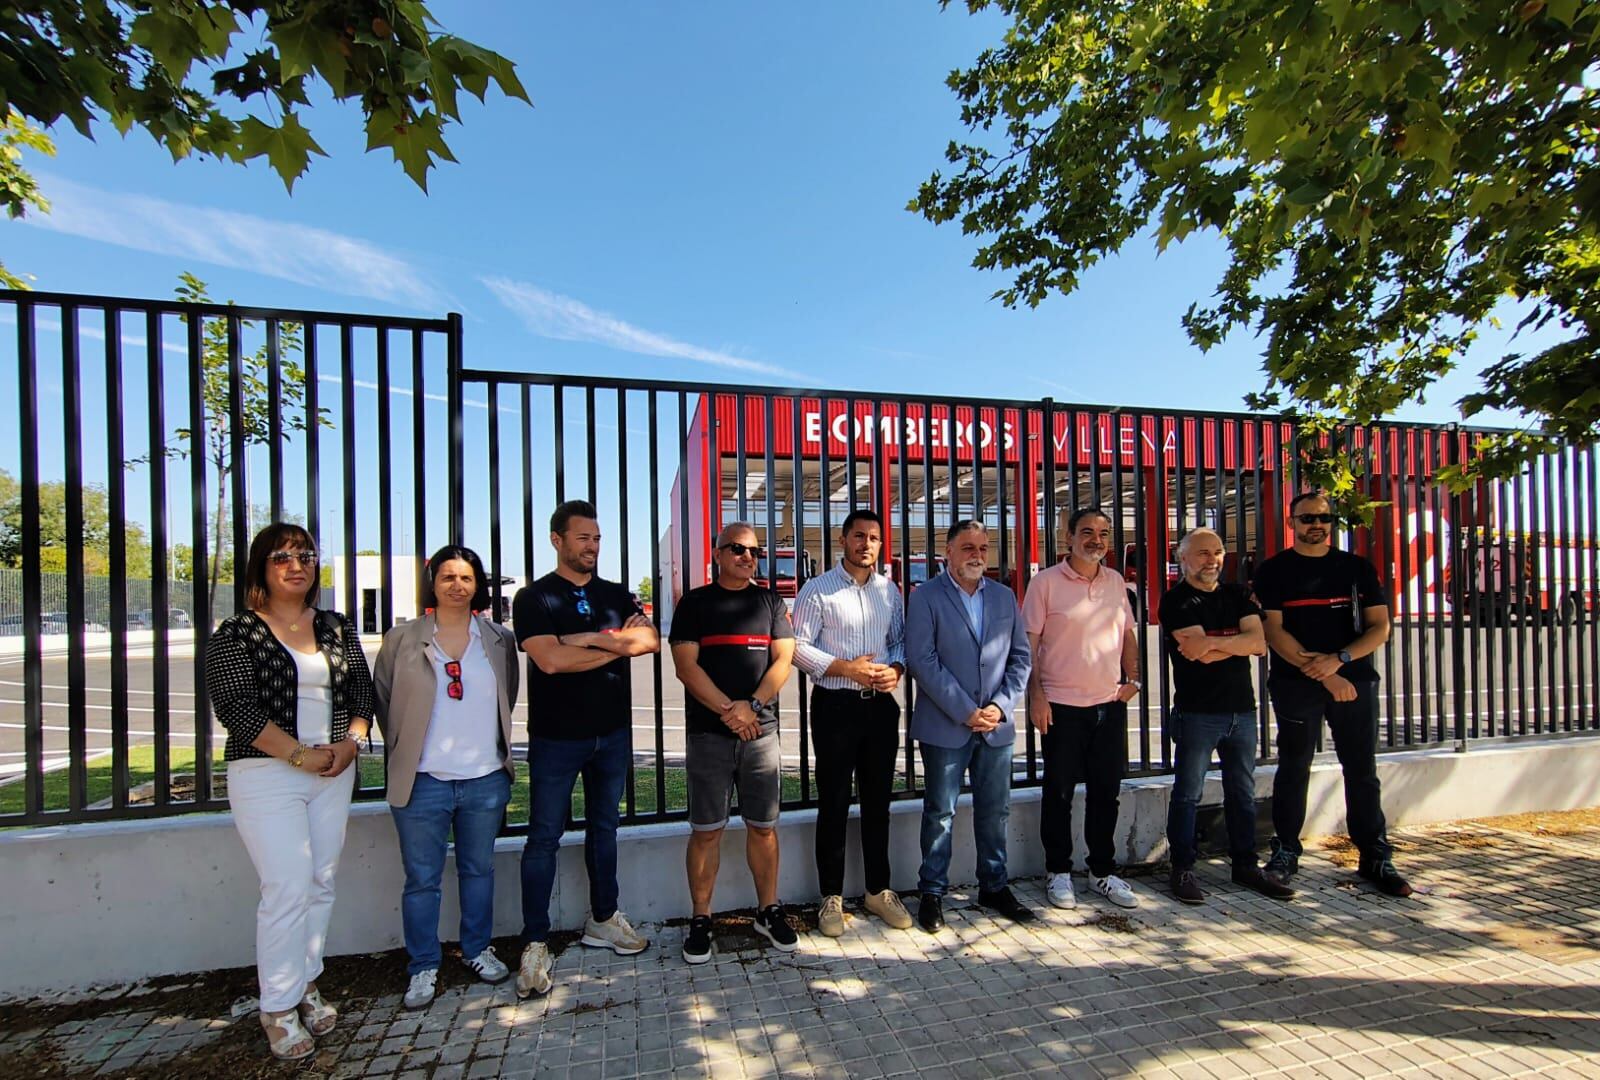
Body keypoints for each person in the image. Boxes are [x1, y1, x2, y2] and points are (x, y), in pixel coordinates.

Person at [203, 524, 374, 1061]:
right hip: (268, 772)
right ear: (261, 566)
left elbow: (362, 692)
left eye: (305, 555)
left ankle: (305, 983)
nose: (296, 564)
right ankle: (276, 1006)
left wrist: (351, 743)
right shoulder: (237, 632)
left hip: (333, 769)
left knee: (321, 881)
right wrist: (300, 754)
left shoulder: (335, 626)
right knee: (287, 885)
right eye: (282, 556)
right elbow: (236, 708)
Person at [513, 500, 659, 999]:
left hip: (611, 735)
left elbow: (650, 641)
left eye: (597, 538)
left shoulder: (616, 594)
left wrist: (592, 638)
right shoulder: (533, 598)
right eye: (583, 538)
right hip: (556, 737)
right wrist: (614, 646)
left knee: (605, 828)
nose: (592, 546)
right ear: (557, 540)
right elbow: (550, 661)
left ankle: (603, 918)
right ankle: (534, 941)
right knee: (543, 838)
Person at [372, 546, 520, 1010]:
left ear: (479, 586)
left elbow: (507, 695)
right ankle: (423, 966)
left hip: (483, 778)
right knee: (422, 879)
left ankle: (477, 950)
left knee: (479, 871)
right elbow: (383, 700)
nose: (457, 585)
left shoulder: (498, 639)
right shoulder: (402, 639)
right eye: (447, 576)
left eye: (467, 577)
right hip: (422, 782)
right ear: (432, 582)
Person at [1253, 492, 1412, 897]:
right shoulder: (1274, 571)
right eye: (1307, 518)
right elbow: (1274, 631)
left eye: (1324, 517)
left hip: (1353, 681)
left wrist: (1339, 661)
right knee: (1293, 769)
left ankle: (1374, 854)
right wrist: (1325, 674)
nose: (1316, 524)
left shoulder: (1356, 568)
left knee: (1361, 770)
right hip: (1296, 685)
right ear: (1292, 523)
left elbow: (1380, 628)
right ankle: (1286, 850)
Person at [670, 521, 798, 962]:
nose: (748, 557)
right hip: (709, 735)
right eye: (738, 549)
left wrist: (753, 707)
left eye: (755, 551)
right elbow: (686, 667)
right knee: (707, 831)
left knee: (763, 827)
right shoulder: (695, 603)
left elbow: (784, 659)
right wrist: (731, 710)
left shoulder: (770, 602)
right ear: (718, 553)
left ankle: (768, 909)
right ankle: (702, 917)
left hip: (760, 732)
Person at [906, 520, 1035, 933]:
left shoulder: (1003, 597)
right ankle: (932, 892)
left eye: (983, 547)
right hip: (947, 726)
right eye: (967, 547)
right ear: (948, 551)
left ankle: (994, 886)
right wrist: (965, 710)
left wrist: (999, 706)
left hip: (995, 727)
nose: (977, 555)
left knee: (995, 811)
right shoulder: (925, 596)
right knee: (940, 812)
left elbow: (1020, 659)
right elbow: (921, 661)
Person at [791, 509, 912, 937]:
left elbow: (899, 639)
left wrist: (895, 668)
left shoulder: (888, 591)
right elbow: (797, 648)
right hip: (835, 708)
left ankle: (879, 891)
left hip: (880, 706)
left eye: (875, 538)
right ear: (843, 540)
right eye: (859, 536)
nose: (867, 544)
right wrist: (845, 668)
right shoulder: (817, 590)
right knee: (835, 801)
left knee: (879, 801)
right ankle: (831, 897)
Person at [1159, 528, 1293, 904]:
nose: (1211, 560)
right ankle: (1182, 867)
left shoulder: (1237, 595)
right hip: (1197, 713)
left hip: (1242, 712)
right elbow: (1196, 653)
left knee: (1242, 794)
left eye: (1217, 552)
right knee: (1188, 794)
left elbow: (1258, 642)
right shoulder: (1176, 601)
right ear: (1182, 557)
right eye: (1202, 553)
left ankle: (1245, 865)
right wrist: (1233, 644)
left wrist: (1214, 642)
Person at [1022, 507, 1142, 911]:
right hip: (1060, 706)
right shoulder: (1045, 584)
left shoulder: (1116, 582)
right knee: (1058, 793)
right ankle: (1058, 872)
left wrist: (1135, 680)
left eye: (1104, 533)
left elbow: (1127, 634)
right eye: (1087, 532)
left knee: (1106, 793)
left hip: (1108, 706)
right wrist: (1036, 696)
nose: (1096, 540)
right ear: (1068, 537)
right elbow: (1031, 645)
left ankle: (1102, 872)